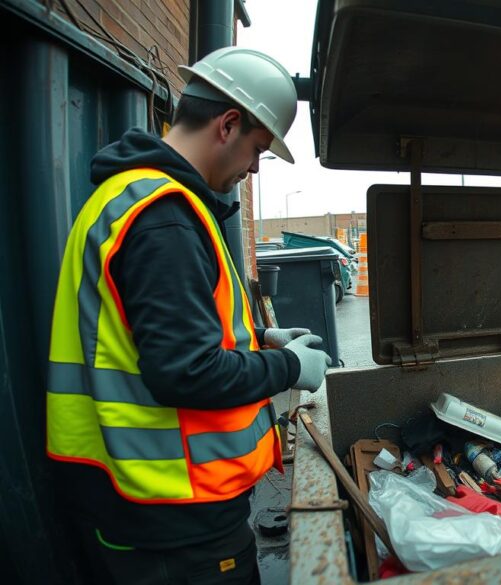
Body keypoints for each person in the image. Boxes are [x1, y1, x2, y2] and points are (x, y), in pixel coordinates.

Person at [45, 47, 331, 583]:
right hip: (172, 521)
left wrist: (262, 337)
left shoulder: (130, 195)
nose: (253, 168)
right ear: (227, 125)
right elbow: (186, 371)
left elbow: (156, 332)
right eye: (257, 150)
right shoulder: (165, 218)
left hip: (139, 505)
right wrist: (289, 368)